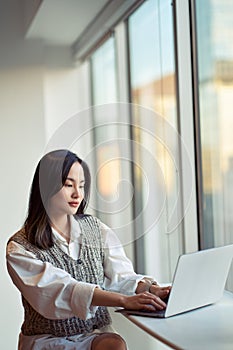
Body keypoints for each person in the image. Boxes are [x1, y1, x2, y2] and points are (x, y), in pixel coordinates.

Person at [6, 149, 170, 350]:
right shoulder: (20, 248)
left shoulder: (95, 229)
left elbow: (119, 276)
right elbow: (62, 291)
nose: (77, 194)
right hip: (49, 340)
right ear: (45, 187)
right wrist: (124, 301)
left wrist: (150, 290)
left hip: (95, 335)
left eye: (81, 186)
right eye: (68, 185)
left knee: (115, 344)